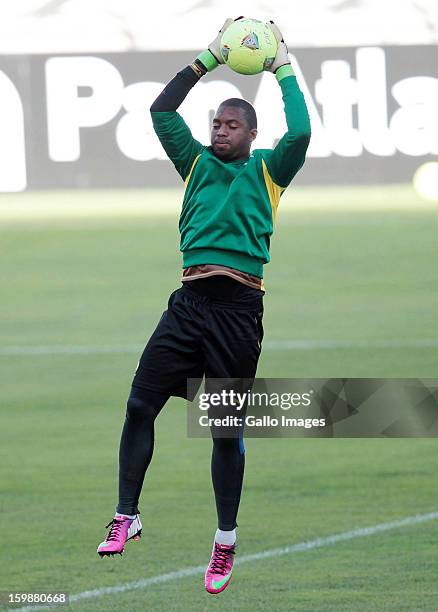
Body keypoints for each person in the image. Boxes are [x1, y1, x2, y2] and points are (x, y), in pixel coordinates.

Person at [97, 17, 311, 595]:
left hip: (238, 313)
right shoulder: (192, 163)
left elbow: (302, 131)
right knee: (140, 405)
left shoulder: (270, 169)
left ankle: (224, 542)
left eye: (231, 124)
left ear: (250, 132)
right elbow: (161, 111)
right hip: (189, 304)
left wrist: (282, 66)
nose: (219, 131)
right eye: (215, 123)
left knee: (222, 434)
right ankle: (127, 514)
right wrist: (208, 58)